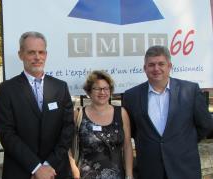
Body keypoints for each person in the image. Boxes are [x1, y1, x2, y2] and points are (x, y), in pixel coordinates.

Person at [123, 45, 213, 179]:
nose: (156, 68)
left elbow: (205, 125)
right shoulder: (131, 96)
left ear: (169, 66)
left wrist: (183, 140)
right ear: (145, 68)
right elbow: (133, 130)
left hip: (184, 168)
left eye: (161, 64)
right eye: (151, 64)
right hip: (150, 169)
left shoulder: (190, 90)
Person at [0, 31, 74, 179]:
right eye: (31, 52)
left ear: (46, 54)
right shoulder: (7, 89)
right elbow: (6, 133)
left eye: (41, 52)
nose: (37, 57)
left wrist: (49, 165)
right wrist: (36, 167)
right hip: (21, 171)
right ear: (21, 55)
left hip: (56, 171)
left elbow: (68, 129)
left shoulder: (60, 87)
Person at [69, 70, 134, 179]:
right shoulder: (78, 114)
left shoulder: (121, 113)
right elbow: (67, 146)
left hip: (118, 175)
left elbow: (127, 146)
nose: (102, 92)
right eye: (97, 88)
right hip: (85, 175)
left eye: (106, 88)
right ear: (89, 92)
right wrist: (74, 169)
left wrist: (129, 175)